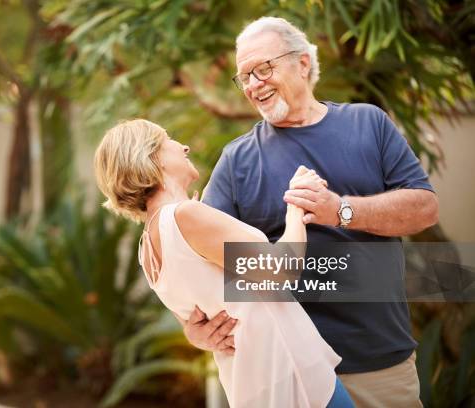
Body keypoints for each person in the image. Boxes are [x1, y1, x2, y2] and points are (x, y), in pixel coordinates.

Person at [184, 16, 438, 408]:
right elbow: (201, 262)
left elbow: (424, 208)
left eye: (262, 69)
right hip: (286, 374)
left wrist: (340, 210)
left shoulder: (368, 123)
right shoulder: (236, 161)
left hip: (378, 365)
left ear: (302, 63)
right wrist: (197, 328)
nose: (252, 85)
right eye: (244, 77)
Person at [94, 119, 355, 407]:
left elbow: (196, 322)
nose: (184, 146)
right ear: (151, 156)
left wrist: (195, 336)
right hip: (291, 375)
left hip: (252, 386)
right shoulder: (186, 216)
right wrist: (296, 205)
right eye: (169, 138)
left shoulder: (148, 249)